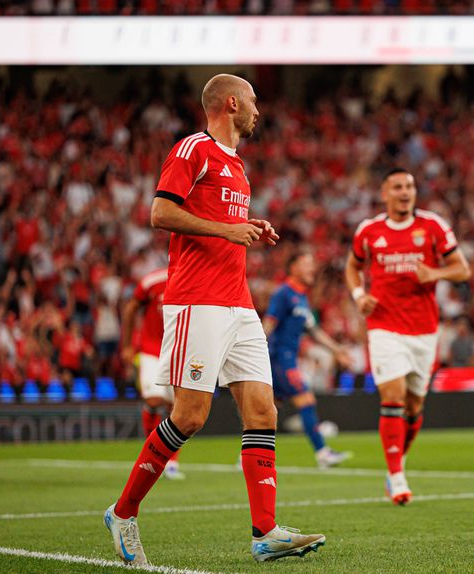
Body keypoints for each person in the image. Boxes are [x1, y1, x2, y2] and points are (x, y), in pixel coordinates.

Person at [103, 74, 325, 565]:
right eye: (252, 103)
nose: (258, 112)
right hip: (197, 301)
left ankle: (265, 531)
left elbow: (223, 227)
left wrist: (248, 228)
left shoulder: (238, 166)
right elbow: (161, 213)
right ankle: (123, 513)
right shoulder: (192, 149)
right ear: (231, 103)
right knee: (189, 417)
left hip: (239, 304)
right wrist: (227, 230)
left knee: (263, 413)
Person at [345, 168, 470, 505]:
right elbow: (352, 267)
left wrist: (436, 272)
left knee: (414, 407)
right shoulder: (369, 231)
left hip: (424, 330)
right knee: (394, 395)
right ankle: (397, 477)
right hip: (384, 325)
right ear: (384, 193)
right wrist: (359, 296)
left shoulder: (432, 226)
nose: (405, 192)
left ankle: (395, 464)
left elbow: (463, 268)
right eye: (397, 187)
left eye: (410, 186)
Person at [263, 250, 352, 468]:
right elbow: (269, 322)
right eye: (306, 263)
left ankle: (248, 456)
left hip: (286, 358)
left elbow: (314, 331)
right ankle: (322, 453)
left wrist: (336, 349)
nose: (312, 267)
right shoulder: (284, 293)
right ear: (293, 267)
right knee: (306, 400)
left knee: (269, 411)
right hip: (279, 358)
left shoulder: (302, 297)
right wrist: (254, 349)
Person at [120, 267, 185, 480]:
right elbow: (131, 309)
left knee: (177, 407)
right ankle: (151, 453)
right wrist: (128, 345)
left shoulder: (195, 277)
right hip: (152, 348)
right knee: (154, 399)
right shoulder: (152, 281)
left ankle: (171, 461)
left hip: (180, 350)